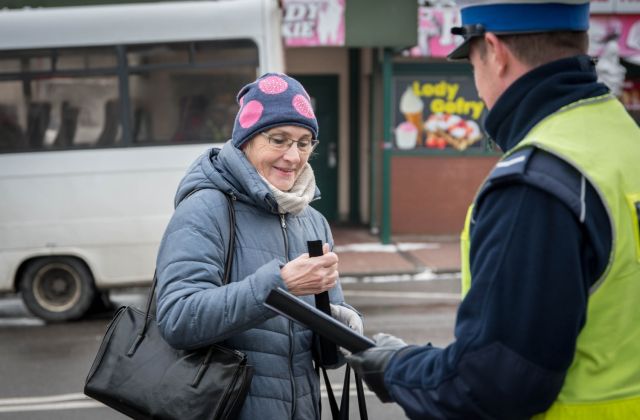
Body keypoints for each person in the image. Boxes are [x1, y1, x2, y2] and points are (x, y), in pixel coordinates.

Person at [347, 1, 640, 418]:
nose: (477, 83)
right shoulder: (624, 139)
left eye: (471, 63)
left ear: (494, 50)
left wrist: (398, 368)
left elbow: (492, 382)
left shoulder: (537, 181)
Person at [155, 73, 362, 420]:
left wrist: (342, 325)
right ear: (247, 140)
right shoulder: (206, 209)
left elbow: (326, 356)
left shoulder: (311, 219)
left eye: (304, 142)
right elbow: (178, 319)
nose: (293, 157)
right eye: (279, 139)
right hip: (224, 409)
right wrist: (280, 287)